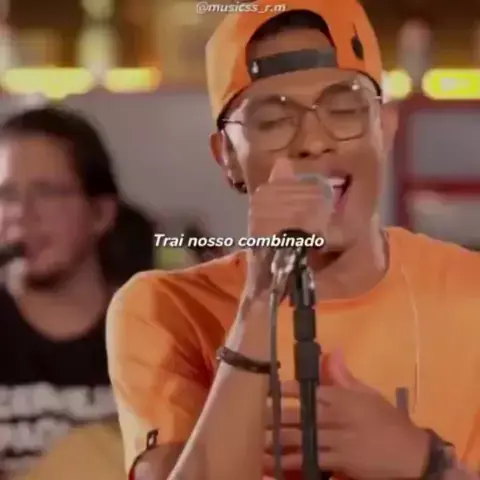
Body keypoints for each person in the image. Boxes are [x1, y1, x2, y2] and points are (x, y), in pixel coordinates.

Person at [106, 1, 480, 479]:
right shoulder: (165, 310)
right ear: (227, 156)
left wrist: (426, 462)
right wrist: (261, 299)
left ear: (385, 128)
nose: (313, 141)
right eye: (274, 121)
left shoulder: (469, 292)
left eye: (343, 109)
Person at [0, 106, 120, 478]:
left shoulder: (153, 325)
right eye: (6, 195)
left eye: (47, 192)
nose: (22, 213)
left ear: (100, 213)